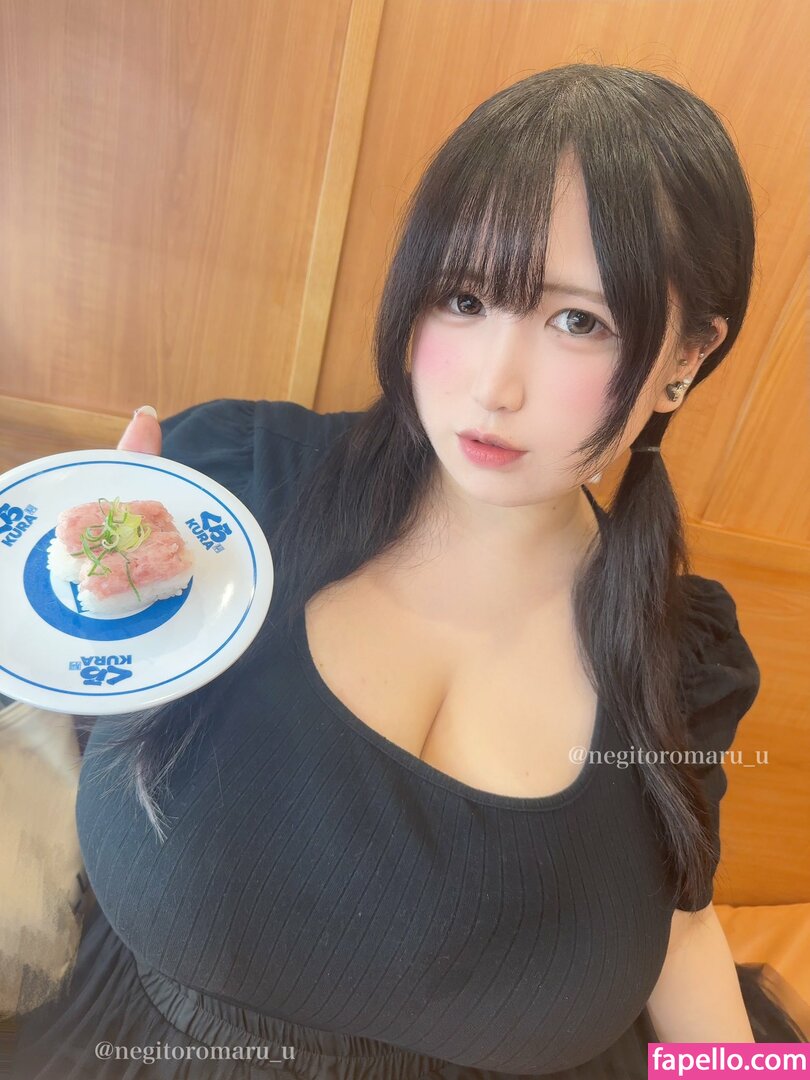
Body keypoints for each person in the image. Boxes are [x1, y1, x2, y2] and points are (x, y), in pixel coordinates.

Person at [11, 63, 809, 1079]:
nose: (493, 386)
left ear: (687, 356)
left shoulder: (685, 660)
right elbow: (53, 728)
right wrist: (70, 610)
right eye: (464, 297)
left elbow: (681, 925)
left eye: (579, 321)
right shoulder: (228, 492)